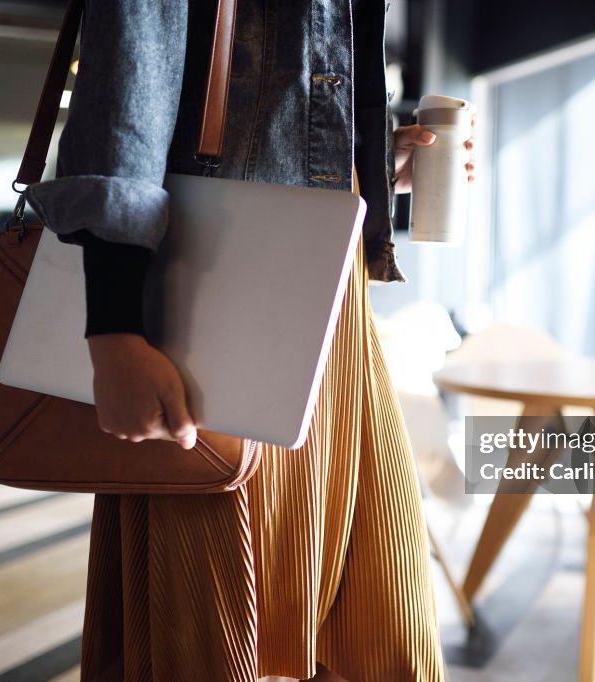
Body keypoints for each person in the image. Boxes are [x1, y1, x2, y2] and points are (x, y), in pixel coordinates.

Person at [25, 1, 474, 680]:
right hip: (213, 290)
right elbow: (128, 78)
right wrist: (115, 323)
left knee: (384, 635)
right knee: (207, 639)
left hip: (327, 290)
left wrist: (374, 158)